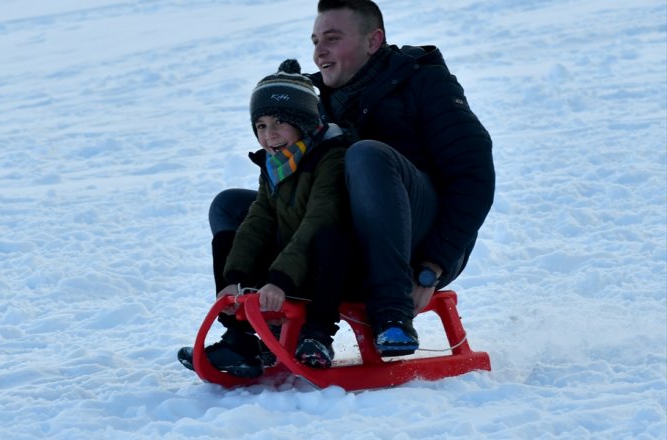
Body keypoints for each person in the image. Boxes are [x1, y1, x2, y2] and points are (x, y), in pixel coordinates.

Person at [207, 0, 496, 358]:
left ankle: (392, 312)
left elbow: (474, 176)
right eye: (315, 41)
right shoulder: (312, 98)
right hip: (337, 245)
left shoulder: (424, 82)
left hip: (415, 249)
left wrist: (432, 267)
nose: (318, 53)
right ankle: (254, 329)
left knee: (366, 154)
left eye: (332, 39)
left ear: (373, 41)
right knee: (232, 207)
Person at [178, 59, 359, 377]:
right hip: (292, 262)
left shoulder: (331, 156)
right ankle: (240, 339)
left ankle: (317, 336)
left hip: (328, 269)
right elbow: (258, 221)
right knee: (229, 238)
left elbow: (317, 220)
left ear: (303, 122)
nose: (269, 135)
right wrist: (234, 278)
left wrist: (280, 281)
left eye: (278, 123)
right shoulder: (275, 164)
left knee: (332, 238)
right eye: (261, 126)